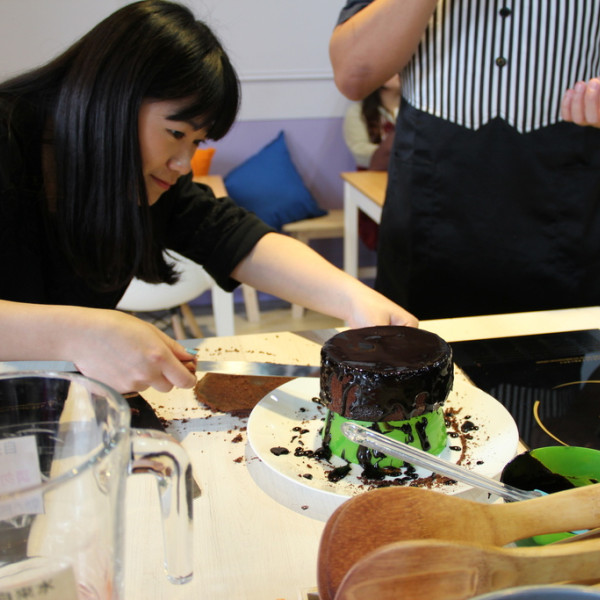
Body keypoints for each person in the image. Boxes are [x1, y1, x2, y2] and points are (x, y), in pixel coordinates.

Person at [0, 0, 417, 395]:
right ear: (112, 99)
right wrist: (82, 334)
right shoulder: (9, 139)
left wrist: (353, 298)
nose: (184, 163)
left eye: (197, 142)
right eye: (176, 133)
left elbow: (231, 235)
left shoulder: (147, 181)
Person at [330, 1, 600, 320]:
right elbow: (353, 74)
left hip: (572, 205)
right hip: (428, 205)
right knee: (414, 343)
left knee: (568, 346)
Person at [343, 73, 400, 251]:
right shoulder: (358, 112)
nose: (398, 72)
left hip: (407, 178)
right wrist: (392, 153)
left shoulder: (414, 111)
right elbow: (359, 150)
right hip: (371, 181)